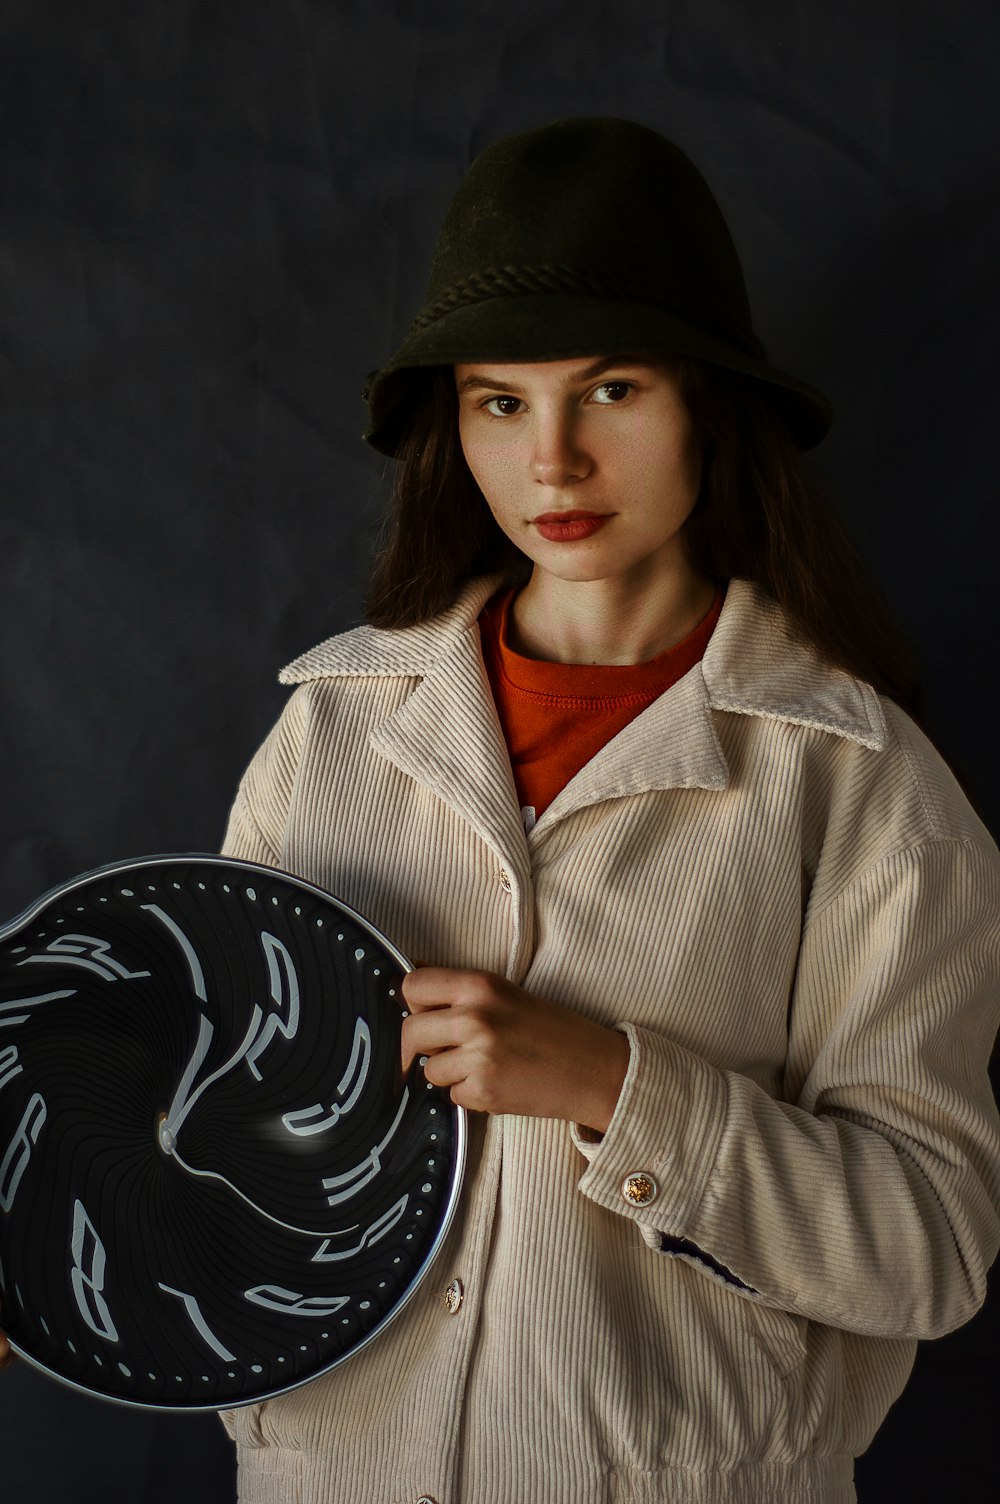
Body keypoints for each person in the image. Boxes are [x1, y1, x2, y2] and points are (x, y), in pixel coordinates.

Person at [6, 115, 998, 1504]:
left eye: (611, 391)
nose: (554, 463)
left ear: (710, 401)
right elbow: (191, 1101)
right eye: (499, 401)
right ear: (451, 424)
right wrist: (38, 1227)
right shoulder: (334, 733)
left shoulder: (860, 785)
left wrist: (614, 1085)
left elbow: (931, 1249)